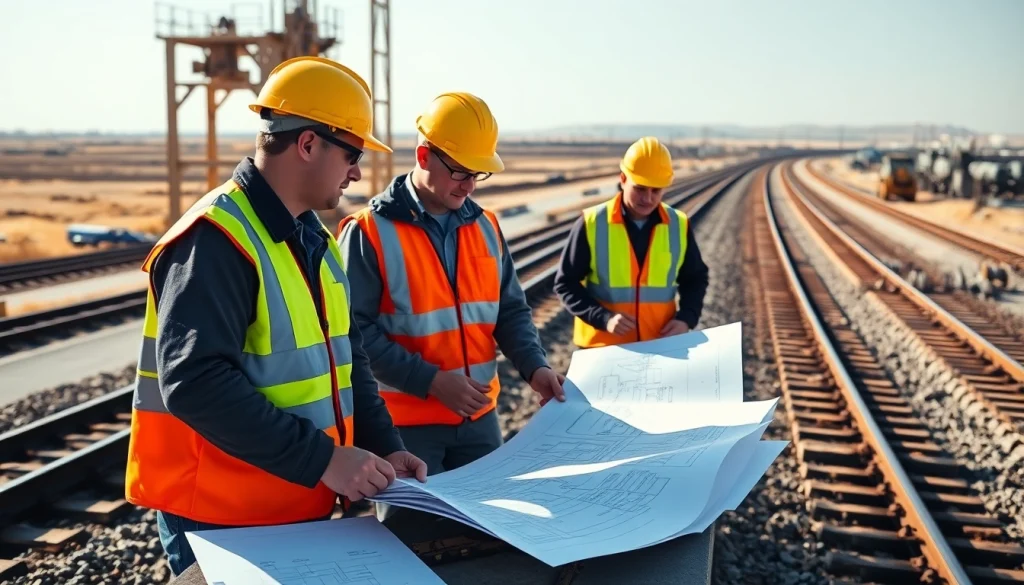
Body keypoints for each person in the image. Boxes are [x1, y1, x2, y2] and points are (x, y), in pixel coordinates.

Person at [123, 56, 427, 577]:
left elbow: (348, 362)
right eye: (352, 153)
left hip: (294, 506)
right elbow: (194, 382)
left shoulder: (316, 239)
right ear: (308, 144)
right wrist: (328, 461)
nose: (358, 171)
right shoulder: (216, 240)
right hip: (220, 521)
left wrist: (385, 448)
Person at [336, 92, 566, 488]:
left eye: (478, 174)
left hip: (479, 422)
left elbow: (510, 310)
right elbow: (352, 334)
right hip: (403, 428)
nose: (470, 186)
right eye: (461, 172)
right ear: (424, 156)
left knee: (488, 535)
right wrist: (432, 381)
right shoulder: (368, 232)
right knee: (414, 540)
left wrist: (535, 367)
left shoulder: (486, 227)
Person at [553, 136, 709, 348]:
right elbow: (565, 284)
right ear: (623, 179)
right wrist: (603, 318)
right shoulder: (592, 223)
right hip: (603, 349)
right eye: (640, 188)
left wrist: (686, 319)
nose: (648, 198)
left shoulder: (678, 225)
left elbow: (695, 278)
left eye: (656, 191)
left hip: (659, 345)